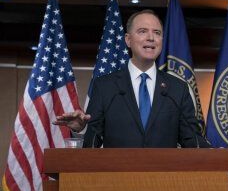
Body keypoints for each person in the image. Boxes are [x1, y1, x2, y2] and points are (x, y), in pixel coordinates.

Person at [53, 10, 209, 148]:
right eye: (142, 31)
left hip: (163, 178)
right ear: (128, 40)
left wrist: (218, 155)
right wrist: (81, 129)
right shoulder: (105, 86)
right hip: (117, 178)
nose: (151, 38)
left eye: (157, 32)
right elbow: (92, 143)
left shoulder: (178, 88)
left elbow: (192, 140)